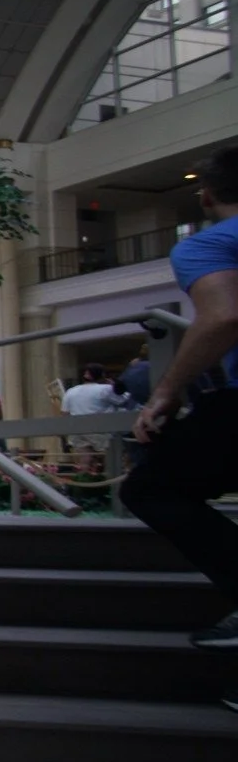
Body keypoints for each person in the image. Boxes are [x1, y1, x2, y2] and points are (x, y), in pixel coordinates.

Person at [124, 146, 238, 653]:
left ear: (206, 194)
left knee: (150, 488)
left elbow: (221, 316)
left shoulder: (206, 246)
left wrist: (165, 392)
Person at [62, 364, 124, 473]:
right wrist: (114, 385)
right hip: (100, 430)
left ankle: (85, 483)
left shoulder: (71, 391)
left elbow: (65, 413)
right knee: (109, 461)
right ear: (102, 375)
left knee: (85, 462)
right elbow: (123, 401)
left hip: (77, 430)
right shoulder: (106, 389)